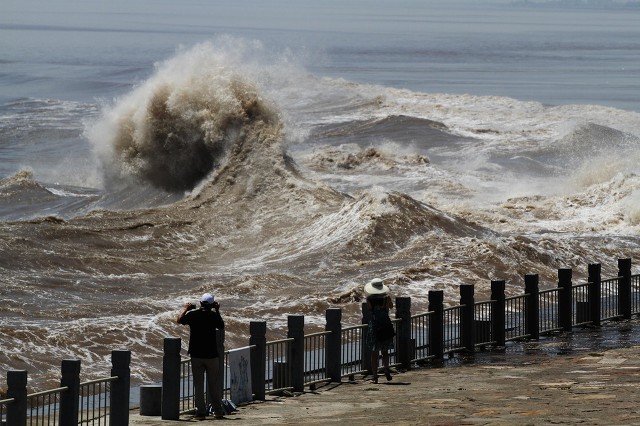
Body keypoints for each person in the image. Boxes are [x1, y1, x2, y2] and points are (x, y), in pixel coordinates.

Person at [177, 292, 225, 420]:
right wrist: (217, 310)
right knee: (213, 384)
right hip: (211, 355)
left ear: (201, 302)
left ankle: (201, 411)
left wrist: (186, 308)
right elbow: (221, 326)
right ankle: (218, 411)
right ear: (212, 304)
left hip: (196, 355)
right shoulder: (214, 315)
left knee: (198, 385)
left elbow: (179, 320)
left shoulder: (193, 315)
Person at [364, 278, 394, 384]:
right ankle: (386, 368)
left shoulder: (369, 299)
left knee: (374, 353)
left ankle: (375, 377)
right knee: (385, 351)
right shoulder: (386, 298)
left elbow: (369, 309)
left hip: (375, 326)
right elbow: (391, 306)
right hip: (385, 324)